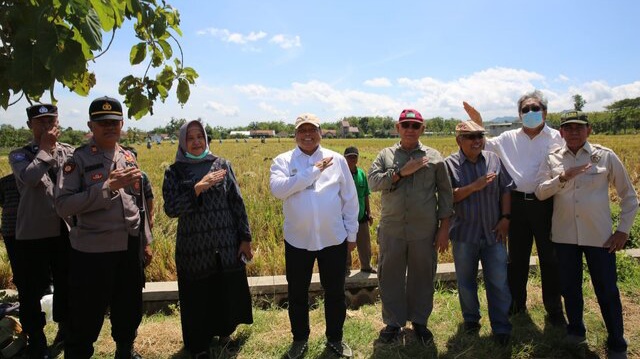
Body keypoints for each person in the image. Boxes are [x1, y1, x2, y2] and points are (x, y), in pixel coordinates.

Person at [534, 111, 638, 359]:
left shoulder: (604, 156)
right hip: (564, 236)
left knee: (607, 290)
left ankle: (617, 342)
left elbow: (629, 196)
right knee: (570, 288)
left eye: (579, 128)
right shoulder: (552, 159)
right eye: (568, 128)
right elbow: (539, 192)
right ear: (560, 133)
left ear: (589, 130)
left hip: (599, 237)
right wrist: (563, 176)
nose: (573, 132)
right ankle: (576, 330)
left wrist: (623, 230)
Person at [55, 96, 153, 359]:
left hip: (128, 246)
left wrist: (145, 240)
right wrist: (107, 187)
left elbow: (138, 203)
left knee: (128, 306)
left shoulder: (128, 156)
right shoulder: (78, 160)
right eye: (102, 122)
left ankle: (125, 349)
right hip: (92, 250)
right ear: (91, 125)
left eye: (114, 122)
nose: (109, 127)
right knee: (86, 313)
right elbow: (63, 205)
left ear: (122, 124)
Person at [464, 90, 566, 325]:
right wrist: (477, 122)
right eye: (525, 109)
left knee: (550, 258)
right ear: (519, 115)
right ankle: (516, 305)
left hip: (547, 204)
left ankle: (554, 308)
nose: (530, 113)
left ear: (545, 112)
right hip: (517, 204)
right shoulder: (508, 138)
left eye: (535, 108)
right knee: (517, 259)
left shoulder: (557, 138)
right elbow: (483, 144)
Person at [270, 113, 358, 359]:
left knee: (335, 292)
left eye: (312, 130)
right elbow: (278, 190)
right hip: (298, 240)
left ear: (320, 132)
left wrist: (351, 233)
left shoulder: (338, 160)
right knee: (297, 292)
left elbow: (350, 199)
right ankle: (300, 339)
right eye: (302, 131)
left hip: (333, 239)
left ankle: (335, 338)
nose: (307, 135)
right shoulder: (282, 161)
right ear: (295, 134)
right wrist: (312, 172)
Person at [163, 120, 253, 358]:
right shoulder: (174, 172)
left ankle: (225, 333)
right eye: (190, 138)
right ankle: (199, 344)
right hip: (194, 248)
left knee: (224, 289)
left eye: (199, 136)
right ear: (183, 142)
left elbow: (237, 202)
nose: (196, 142)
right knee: (197, 295)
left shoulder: (222, 165)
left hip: (225, 243)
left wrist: (245, 237)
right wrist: (197, 188)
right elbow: (171, 208)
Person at [368, 109, 453, 345]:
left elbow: (445, 194)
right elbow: (373, 182)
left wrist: (444, 227)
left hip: (424, 230)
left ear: (422, 129)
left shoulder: (434, 157)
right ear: (397, 127)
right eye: (405, 125)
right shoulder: (385, 155)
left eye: (415, 126)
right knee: (390, 276)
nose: (410, 129)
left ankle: (420, 321)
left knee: (422, 276)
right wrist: (399, 173)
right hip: (392, 228)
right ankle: (393, 323)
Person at [9, 103, 74, 358]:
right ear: (30, 126)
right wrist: (45, 149)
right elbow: (30, 178)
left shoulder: (69, 152)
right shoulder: (19, 155)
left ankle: (65, 331)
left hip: (64, 231)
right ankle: (36, 338)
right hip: (33, 234)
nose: (48, 127)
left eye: (51, 121)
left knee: (66, 284)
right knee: (31, 289)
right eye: (41, 122)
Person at [443, 120, 514, 345]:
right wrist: (475, 186)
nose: (476, 141)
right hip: (465, 234)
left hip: (494, 233)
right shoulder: (449, 165)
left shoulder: (493, 159)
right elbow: (448, 198)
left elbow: (505, 190)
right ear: (459, 140)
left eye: (479, 136)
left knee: (499, 281)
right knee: (465, 281)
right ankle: (471, 320)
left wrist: (505, 219)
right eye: (470, 137)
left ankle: (501, 326)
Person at [343, 146, 375, 274]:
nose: (352, 159)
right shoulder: (341, 174)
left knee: (365, 244)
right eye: (349, 156)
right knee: (345, 245)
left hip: (361, 215)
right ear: (344, 158)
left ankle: (366, 266)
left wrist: (369, 212)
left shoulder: (361, 173)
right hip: (344, 217)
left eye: (354, 156)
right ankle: (346, 268)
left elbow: (366, 194)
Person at [0, 173, 19, 276]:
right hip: (28, 228)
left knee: (17, 265)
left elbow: (2, 202)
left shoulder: (4, 181)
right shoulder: (33, 181)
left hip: (9, 227)